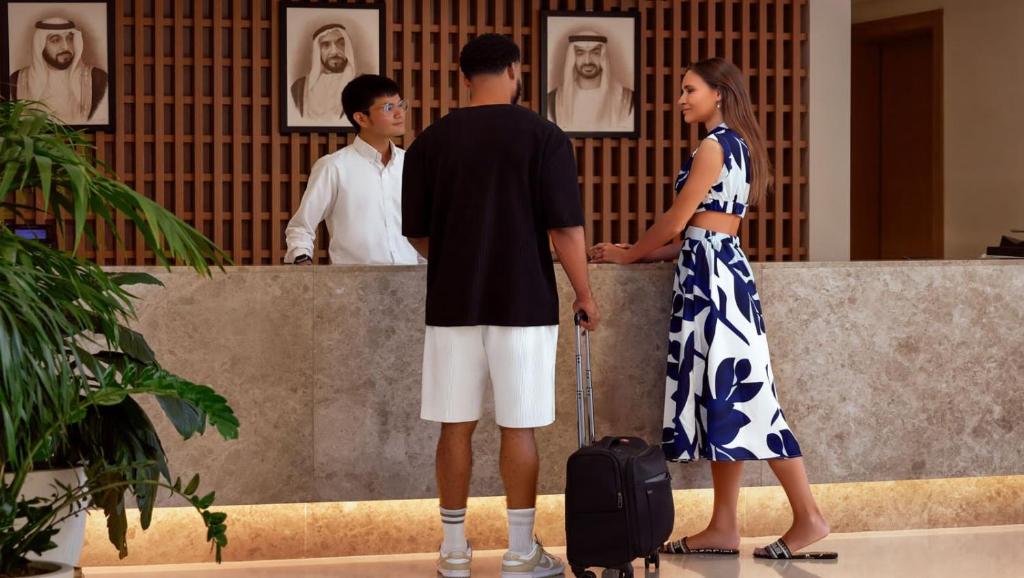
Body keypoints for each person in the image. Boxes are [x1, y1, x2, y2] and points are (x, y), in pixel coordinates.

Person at [589, 57, 837, 561]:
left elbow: (677, 222)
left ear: (719, 93)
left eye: (689, 89)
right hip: (715, 273)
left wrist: (631, 252)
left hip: (715, 285)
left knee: (752, 403)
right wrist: (632, 252)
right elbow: (703, 230)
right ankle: (724, 526)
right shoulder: (737, 145)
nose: (681, 98)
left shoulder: (712, 146)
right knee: (726, 402)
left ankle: (809, 517)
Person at [403, 33, 600, 578]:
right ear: (515, 71)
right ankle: (518, 552)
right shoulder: (544, 136)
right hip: (525, 301)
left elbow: (417, 235)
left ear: (463, 77)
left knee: (454, 426)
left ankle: (453, 551)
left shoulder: (430, 142)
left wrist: (461, 257)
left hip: (451, 302)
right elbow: (564, 228)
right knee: (519, 427)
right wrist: (584, 293)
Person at [284, 74, 420, 265]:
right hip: (354, 287)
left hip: (413, 284)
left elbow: (425, 230)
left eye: (401, 105)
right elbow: (300, 228)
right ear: (361, 118)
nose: (400, 113)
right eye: (389, 107)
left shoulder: (413, 164)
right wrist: (302, 261)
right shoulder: (334, 167)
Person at [10, 18, 108, 123]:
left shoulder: (97, 78)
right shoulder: (17, 80)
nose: (66, 47)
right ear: (40, 45)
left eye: (70, 39)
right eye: (55, 40)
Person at [546, 31, 633, 132]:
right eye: (580, 53)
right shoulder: (554, 100)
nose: (587, 61)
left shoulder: (626, 99)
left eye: (595, 53)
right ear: (573, 57)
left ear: (603, 57)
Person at [290, 23, 357, 121]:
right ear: (318, 51)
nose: (334, 51)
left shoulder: (363, 86)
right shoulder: (299, 87)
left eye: (341, 44)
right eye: (326, 45)